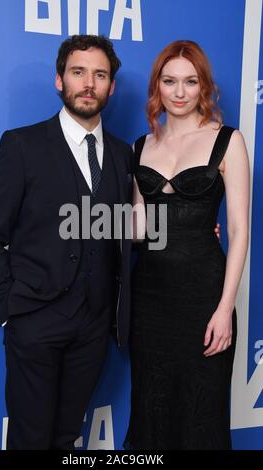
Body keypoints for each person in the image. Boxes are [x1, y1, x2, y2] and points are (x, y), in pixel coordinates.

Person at [0, 35, 134, 450]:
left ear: (111, 86)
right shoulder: (21, 145)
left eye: (99, 75)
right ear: (59, 81)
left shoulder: (122, 155)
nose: (88, 83)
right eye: (78, 72)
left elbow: (125, 226)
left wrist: (191, 229)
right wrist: (9, 312)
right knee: (30, 439)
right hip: (33, 319)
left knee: (66, 437)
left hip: (93, 326)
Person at [125, 40, 249, 450]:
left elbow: (239, 227)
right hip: (148, 299)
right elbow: (139, 227)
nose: (179, 92)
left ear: (204, 87)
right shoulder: (141, 147)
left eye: (190, 82)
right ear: (157, 86)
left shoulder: (228, 141)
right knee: (150, 407)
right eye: (170, 81)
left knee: (202, 411)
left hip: (203, 298)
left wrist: (225, 309)